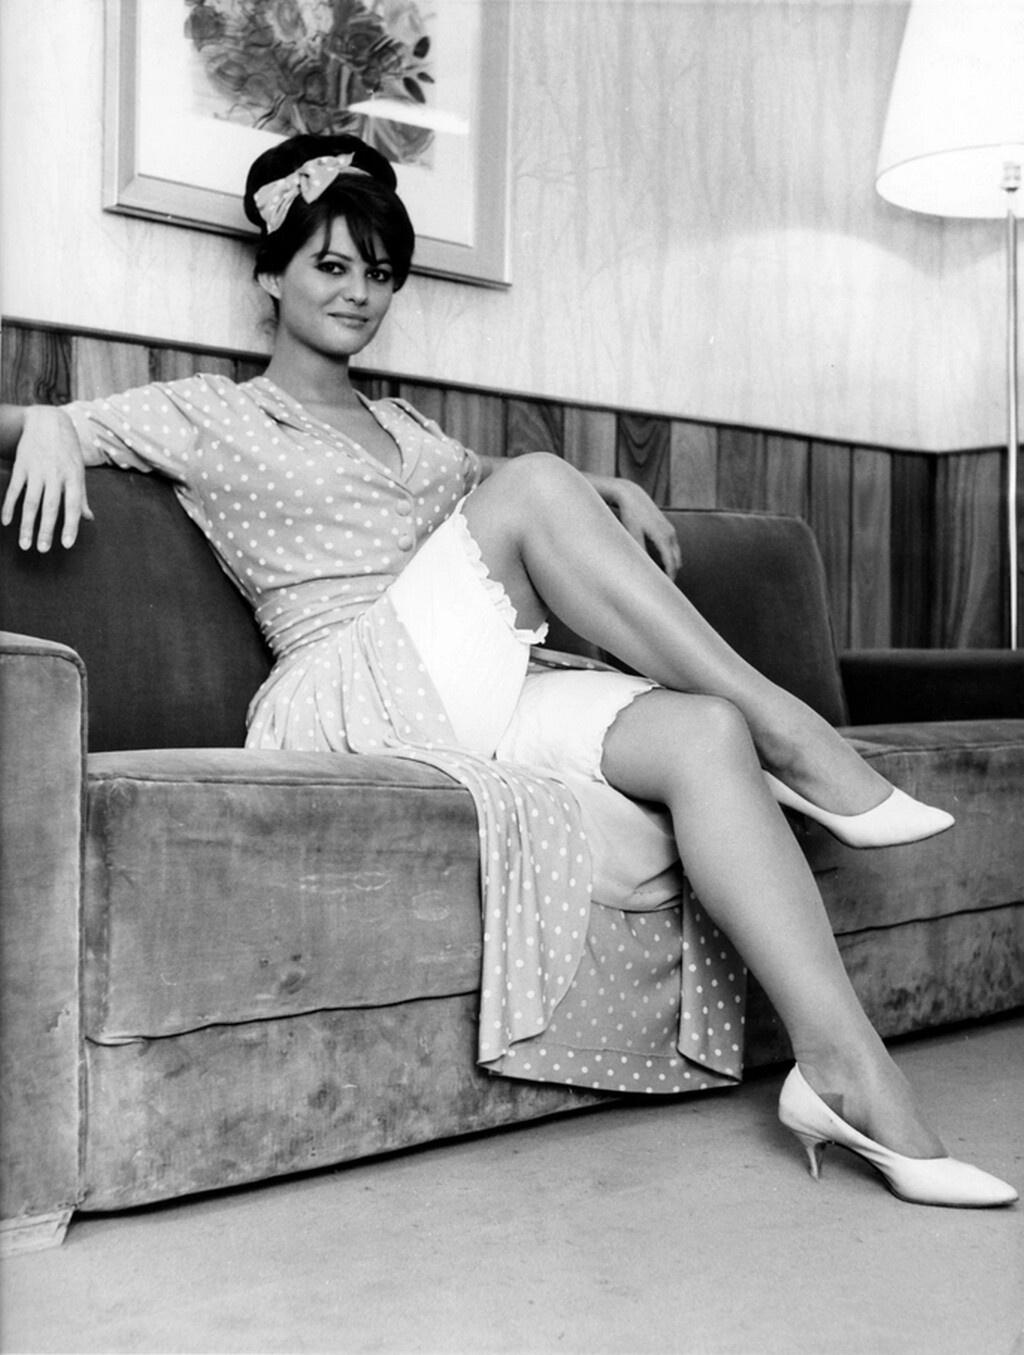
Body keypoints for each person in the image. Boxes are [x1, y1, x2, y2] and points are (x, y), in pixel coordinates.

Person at [1, 133, 1015, 1209]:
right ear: (270, 277)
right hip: (339, 693)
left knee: (699, 732)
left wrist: (604, 489)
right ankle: (791, 728)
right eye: (330, 265)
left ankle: (845, 1071)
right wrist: (53, 423)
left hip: (461, 684)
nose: (358, 293)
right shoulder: (208, 411)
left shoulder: (409, 430)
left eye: (378, 272)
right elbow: (515, 497)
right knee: (543, 492)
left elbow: (488, 488)